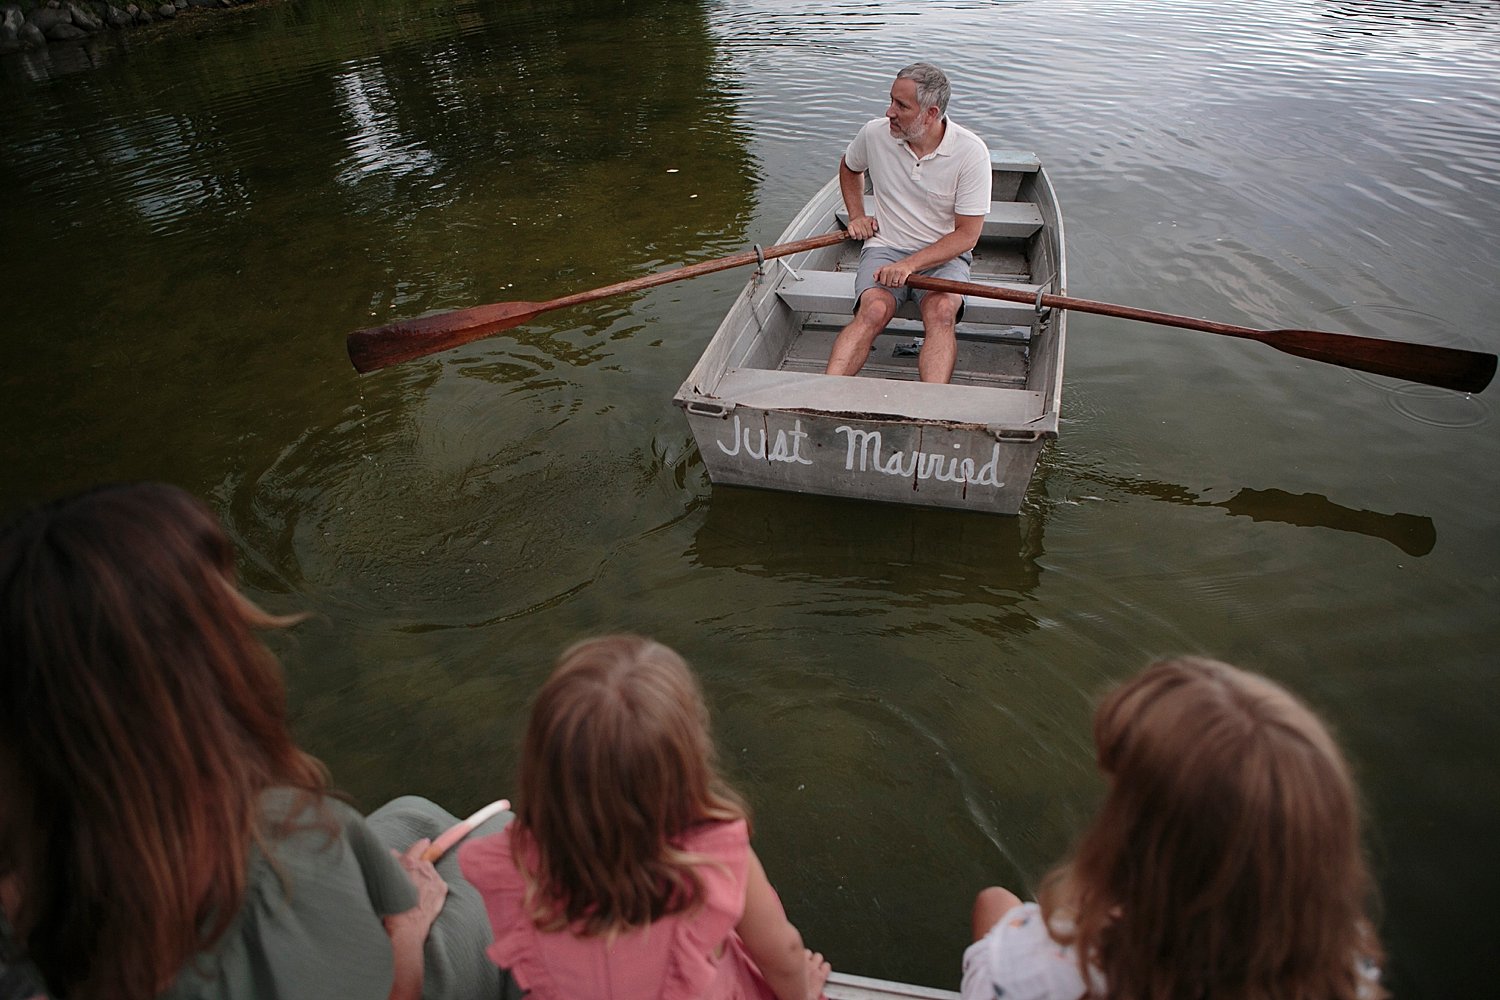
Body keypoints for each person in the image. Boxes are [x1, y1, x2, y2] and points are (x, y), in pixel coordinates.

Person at [0, 483, 512, 1000]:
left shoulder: (32, 881)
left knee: (412, 817)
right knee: (502, 840)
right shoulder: (291, 846)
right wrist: (408, 926)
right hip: (307, 939)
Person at [961, 657, 1386, 1000]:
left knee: (996, 902)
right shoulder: (1348, 968)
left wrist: (1085, 917)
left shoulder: (1036, 974)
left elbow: (1005, 936)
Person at [460, 635, 831, 1000]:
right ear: (686, 761)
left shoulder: (513, 870)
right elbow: (783, 957)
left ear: (541, 768)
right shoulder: (717, 859)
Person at [825, 62, 992, 384]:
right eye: (890, 100)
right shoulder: (874, 134)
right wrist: (857, 214)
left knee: (942, 313)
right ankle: (824, 394)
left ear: (930, 114)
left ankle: (930, 409)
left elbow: (967, 236)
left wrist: (909, 266)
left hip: (943, 256)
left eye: (901, 105)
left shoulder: (971, 153)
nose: (889, 112)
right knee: (873, 309)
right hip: (886, 248)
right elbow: (849, 166)